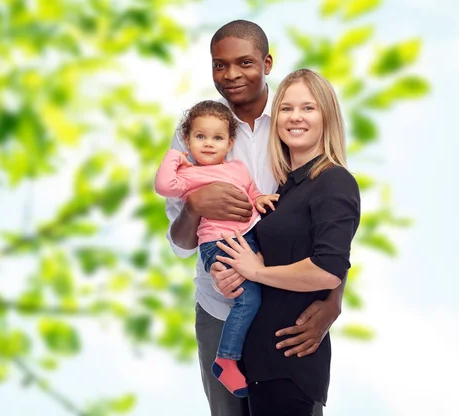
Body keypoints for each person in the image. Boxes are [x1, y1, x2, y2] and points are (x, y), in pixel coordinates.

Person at [165, 19, 344, 416]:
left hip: (288, 309)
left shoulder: (291, 121)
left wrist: (334, 299)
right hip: (218, 306)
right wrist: (196, 206)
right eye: (219, 65)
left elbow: (329, 220)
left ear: (266, 63)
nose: (230, 75)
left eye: (244, 63)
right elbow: (179, 242)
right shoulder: (196, 130)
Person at [211, 68, 361, 415]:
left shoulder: (334, 181)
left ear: (327, 118)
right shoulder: (285, 190)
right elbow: (274, 257)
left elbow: (328, 270)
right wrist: (232, 271)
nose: (295, 117)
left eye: (308, 108)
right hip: (260, 365)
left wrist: (256, 271)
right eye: (286, 108)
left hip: (289, 368)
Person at [155, 100, 279, 398]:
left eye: (217, 138)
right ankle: (226, 360)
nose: (209, 144)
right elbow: (163, 185)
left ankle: (233, 358)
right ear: (187, 140)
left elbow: (252, 193)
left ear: (229, 142)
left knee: (258, 293)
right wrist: (175, 155)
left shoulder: (237, 168)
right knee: (247, 299)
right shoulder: (188, 175)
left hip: (246, 238)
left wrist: (260, 200)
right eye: (200, 137)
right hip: (217, 245)